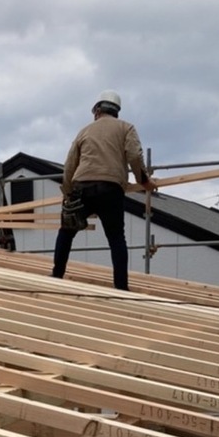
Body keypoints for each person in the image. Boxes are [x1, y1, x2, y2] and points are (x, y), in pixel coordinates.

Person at [51, 89, 156, 288]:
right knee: (116, 237)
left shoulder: (85, 131)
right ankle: (121, 287)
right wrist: (145, 182)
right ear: (116, 111)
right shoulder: (126, 128)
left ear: (97, 110)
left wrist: (67, 193)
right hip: (111, 188)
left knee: (66, 231)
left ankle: (57, 275)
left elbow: (70, 165)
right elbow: (134, 156)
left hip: (83, 186)